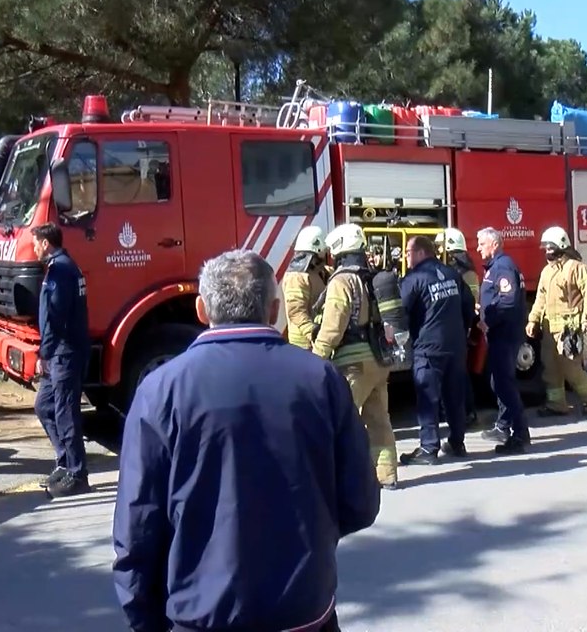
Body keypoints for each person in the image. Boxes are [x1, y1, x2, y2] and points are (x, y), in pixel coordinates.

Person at [112, 249, 380, 632]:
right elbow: (360, 503)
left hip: (201, 619)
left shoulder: (161, 390)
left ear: (202, 310)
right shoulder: (321, 380)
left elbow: (136, 528)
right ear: (274, 310)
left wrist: (146, 620)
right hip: (303, 616)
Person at [312, 223, 399, 489]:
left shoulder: (341, 281)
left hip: (352, 363)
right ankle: (387, 476)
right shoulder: (370, 277)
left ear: (338, 248)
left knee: (339, 421)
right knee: (379, 420)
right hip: (378, 360)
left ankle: (340, 479)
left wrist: (316, 357)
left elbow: (333, 326)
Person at [398, 235, 477, 465]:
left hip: (428, 348)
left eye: (408, 252)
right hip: (455, 346)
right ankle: (456, 442)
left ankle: (428, 448)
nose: (406, 256)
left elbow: (400, 310)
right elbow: (468, 304)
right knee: (454, 396)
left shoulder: (414, 278)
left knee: (427, 397)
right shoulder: (452, 274)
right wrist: (462, 331)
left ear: (421, 252)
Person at [31, 222, 91, 498]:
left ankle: (77, 474)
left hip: (63, 353)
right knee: (45, 406)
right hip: (61, 352)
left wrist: (45, 352)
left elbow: (54, 316)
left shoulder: (60, 270)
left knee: (66, 412)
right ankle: (65, 462)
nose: (33, 249)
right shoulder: (65, 267)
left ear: (46, 243)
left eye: (36, 243)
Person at [528, 226, 587, 417]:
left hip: (569, 328)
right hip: (549, 327)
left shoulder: (577, 268)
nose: (547, 252)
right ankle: (556, 404)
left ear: (561, 246)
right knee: (550, 367)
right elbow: (540, 299)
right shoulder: (547, 272)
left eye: (550, 248)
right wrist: (532, 320)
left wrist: (586, 320)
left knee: (571, 368)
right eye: (546, 248)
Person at [475, 227, 531, 454]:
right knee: (498, 382)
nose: (478, 248)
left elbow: (507, 302)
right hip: (502, 334)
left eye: (481, 243)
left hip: (504, 335)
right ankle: (507, 427)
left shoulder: (502, 267)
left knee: (504, 384)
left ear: (494, 244)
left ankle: (518, 433)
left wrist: (489, 321)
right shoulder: (496, 267)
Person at [437, 227, 484, 425]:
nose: (438, 253)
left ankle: (468, 412)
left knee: (460, 374)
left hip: (459, 328)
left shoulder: (466, 275)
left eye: (440, 248)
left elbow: (469, 304)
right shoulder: (459, 272)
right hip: (455, 328)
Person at [283, 225, 331, 350]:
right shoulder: (297, 276)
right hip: (303, 345)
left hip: (317, 342)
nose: (326, 252)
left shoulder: (321, 272)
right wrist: (313, 332)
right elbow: (296, 311)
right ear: (317, 248)